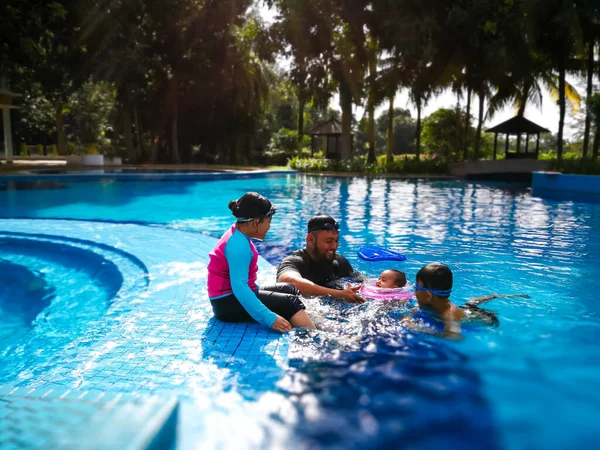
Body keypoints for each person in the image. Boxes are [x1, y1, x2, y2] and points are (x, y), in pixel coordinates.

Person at [207, 192, 315, 332]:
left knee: (289, 289)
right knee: (290, 302)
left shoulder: (238, 234)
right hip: (227, 304)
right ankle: (319, 338)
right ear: (256, 221)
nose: (269, 227)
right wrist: (269, 318)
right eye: (268, 222)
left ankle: (304, 316)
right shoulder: (238, 245)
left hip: (231, 297)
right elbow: (240, 288)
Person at [405, 263, 528, 336]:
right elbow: (416, 310)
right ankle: (494, 295)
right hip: (465, 310)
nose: (413, 290)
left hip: (480, 318)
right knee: (471, 303)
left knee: (473, 307)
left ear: (428, 295)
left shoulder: (450, 315)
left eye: (416, 287)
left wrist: (422, 330)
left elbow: (453, 336)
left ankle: (499, 296)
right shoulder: (427, 303)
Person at [276, 214, 365, 303]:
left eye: (336, 240)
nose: (334, 246)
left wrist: (377, 283)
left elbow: (362, 281)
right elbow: (288, 282)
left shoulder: (340, 262)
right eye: (329, 241)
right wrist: (339, 294)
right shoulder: (294, 262)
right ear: (310, 239)